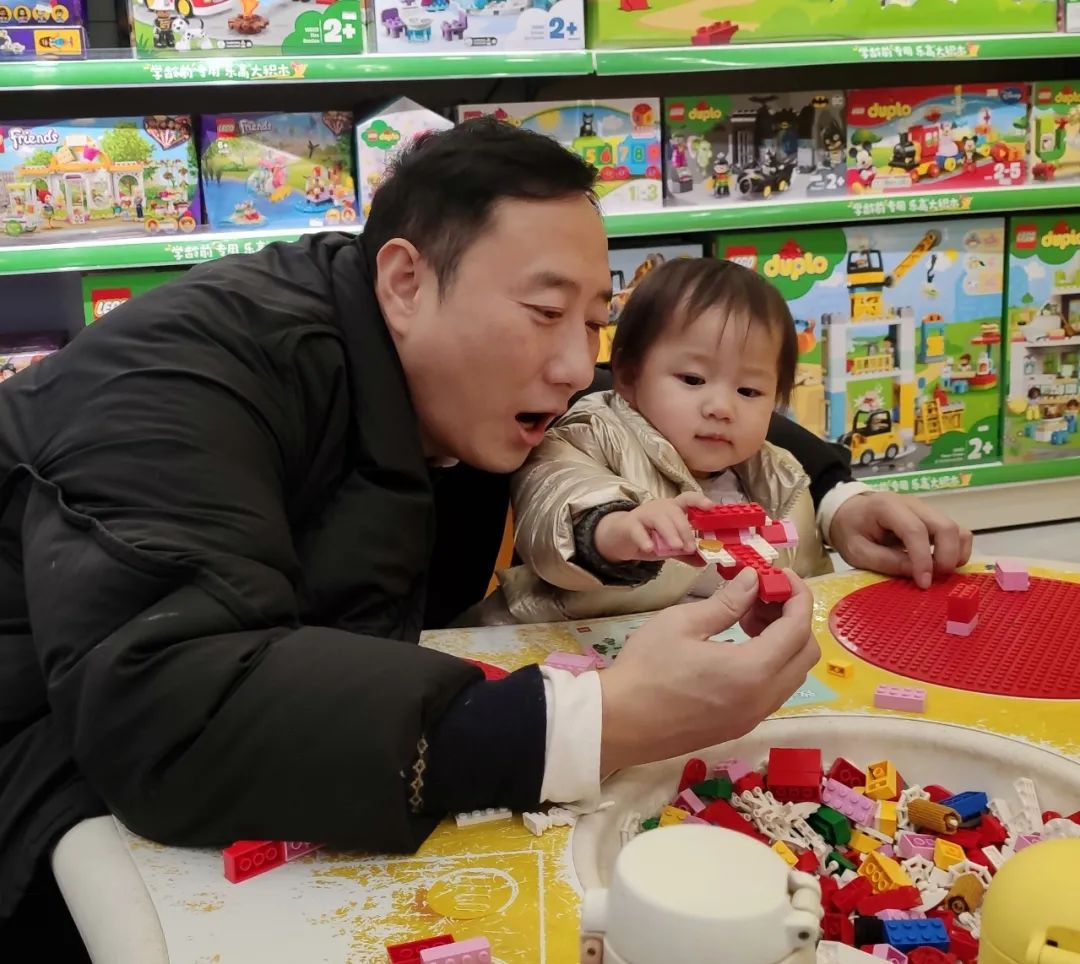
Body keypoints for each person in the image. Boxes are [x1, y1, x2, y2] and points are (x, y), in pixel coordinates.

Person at [0, 119, 971, 942]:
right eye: (545, 312)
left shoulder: (456, 366)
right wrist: (595, 721)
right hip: (68, 804)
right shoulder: (175, 381)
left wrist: (839, 496)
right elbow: (166, 707)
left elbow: (639, 395)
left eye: (592, 323)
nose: (572, 365)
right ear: (405, 282)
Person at [487, 257, 833, 624]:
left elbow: (814, 583)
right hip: (561, 642)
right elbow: (556, 498)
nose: (721, 408)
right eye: (693, 380)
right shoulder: (592, 434)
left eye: (749, 391)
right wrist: (613, 530)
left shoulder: (781, 481)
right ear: (629, 376)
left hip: (717, 651)